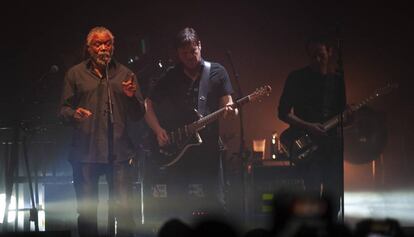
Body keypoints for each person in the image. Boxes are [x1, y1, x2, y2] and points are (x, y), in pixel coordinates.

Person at [59, 26, 145, 237]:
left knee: (124, 210)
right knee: (87, 212)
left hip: (119, 153)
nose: (103, 48)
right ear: (89, 48)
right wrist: (73, 114)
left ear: (113, 47)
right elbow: (62, 110)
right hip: (85, 153)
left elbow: (138, 114)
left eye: (108, 43)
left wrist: (131, 96)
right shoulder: (75, 73)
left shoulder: (126, 74)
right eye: (98, 44)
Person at [144, 27, 237, 221]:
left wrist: (230, 110)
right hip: (179, 149)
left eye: (193, 51)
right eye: (183, 53)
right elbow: (148, 103)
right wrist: (158, 129)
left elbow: (227, 102)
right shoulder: (170, 76)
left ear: (200, 46)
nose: (189, 56)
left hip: (209, 148)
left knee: (216, 201)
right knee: (178, 202)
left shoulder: (217, 72)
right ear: (177, 53)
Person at [277, 34, 347, 221]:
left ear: (330, 52)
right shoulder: (297, 78)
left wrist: (349, 118)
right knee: (311, 196)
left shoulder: (338, 80)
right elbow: (283, 112)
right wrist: (309, 126)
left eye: (321, 54)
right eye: (313, 55)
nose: (317, 59)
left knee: (334, 199)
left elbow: (342, 115)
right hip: (306, 146)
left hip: (332, 147)